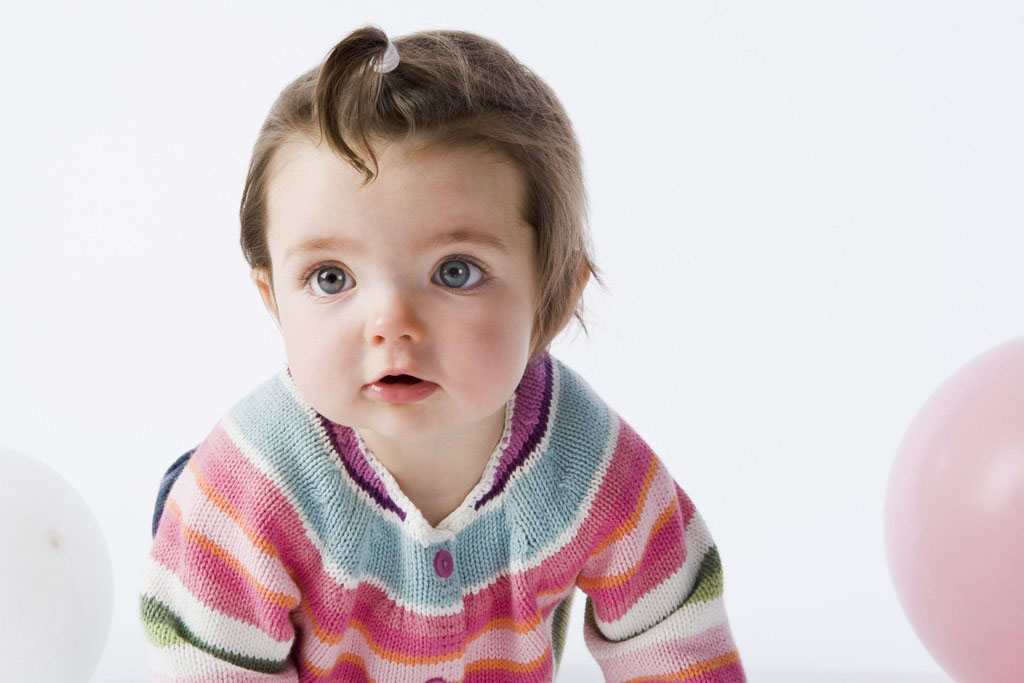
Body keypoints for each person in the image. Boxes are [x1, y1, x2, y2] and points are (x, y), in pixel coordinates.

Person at [139, 24, 747, 682]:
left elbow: (669, 623)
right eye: (331, 277)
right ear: (273, 297)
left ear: (553, 291)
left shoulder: (585, 465)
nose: (391, 324)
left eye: (455, 271)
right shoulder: (246, 492)